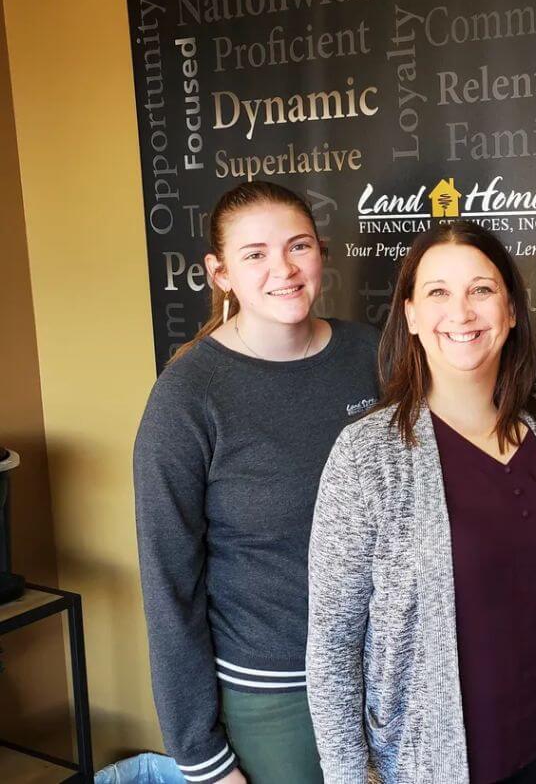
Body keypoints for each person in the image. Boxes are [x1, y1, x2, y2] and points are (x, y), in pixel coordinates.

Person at [306, 221, 536, 784]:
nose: (461, 312)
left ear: (510, 310)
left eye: (481, 290)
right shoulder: (367, 455)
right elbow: (333, 646)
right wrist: (347, 777)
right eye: (438, 292)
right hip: (427, 766)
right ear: (410, 314)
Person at [134, 181, 380, 784]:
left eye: (299, 247)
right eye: (255, 255)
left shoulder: (373, 353)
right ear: (219, 273)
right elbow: (169, 586)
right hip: (276, 695)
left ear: (321, 252)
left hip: (387, 673)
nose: (284, 269)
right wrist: (201, 756)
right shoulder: (188, 396)